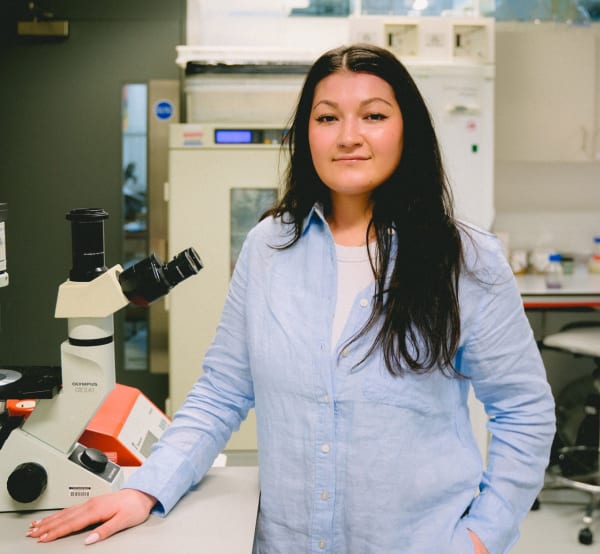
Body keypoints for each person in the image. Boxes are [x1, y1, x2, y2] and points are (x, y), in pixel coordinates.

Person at [27, 44, 555, 553]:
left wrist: (481, 540)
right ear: (306, 135)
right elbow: (222, 391)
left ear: (407, 131)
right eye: (327, 118)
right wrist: (146, 488)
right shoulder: (269, 248)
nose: (349, 136)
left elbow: (524, 411)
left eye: (373, 116)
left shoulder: (465, 260)